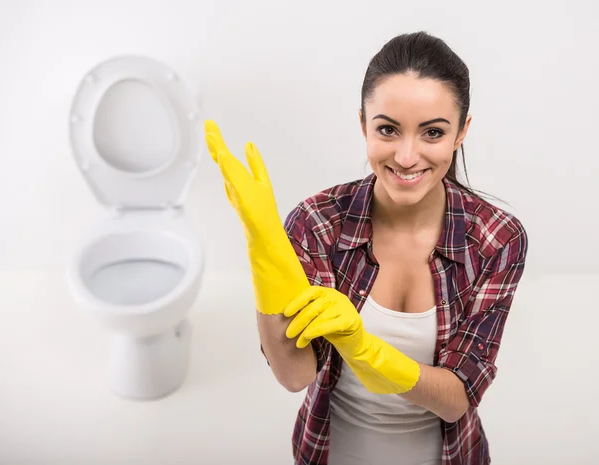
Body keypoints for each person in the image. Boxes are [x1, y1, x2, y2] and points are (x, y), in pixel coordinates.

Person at [204, 30, 528, 465]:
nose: (407, 156)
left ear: (461, 133)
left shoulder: (497, 238)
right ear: (363, 125)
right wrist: (264, 248)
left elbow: (456, 399)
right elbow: (294, 374)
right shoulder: (319, 222)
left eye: (432, 132)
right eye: (388, 129)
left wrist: (364, 349)